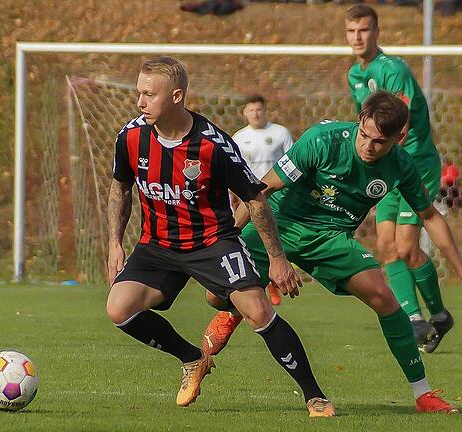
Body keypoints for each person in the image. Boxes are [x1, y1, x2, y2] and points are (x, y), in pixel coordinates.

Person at [202, 91, 462, 414]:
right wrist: (224, 241)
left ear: (399, 138)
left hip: (331, 237)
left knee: (384, 297)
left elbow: (430, 216)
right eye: (364, 135)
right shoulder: (323, 139)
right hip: (280, 223)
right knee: (215, 295)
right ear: (359, 121)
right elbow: (262, 188)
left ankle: (423, 394)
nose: (367, 147)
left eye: (379, 142)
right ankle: (230, 311)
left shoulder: (401, 166)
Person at [106, 56, 334, 417]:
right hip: (158, 245)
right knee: (118, 308)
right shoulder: (131, 136)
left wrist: (276, 258)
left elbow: (255, 199)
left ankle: (314, 395)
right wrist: (114, 243)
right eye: (139, 93)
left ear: (176, 96)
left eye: (149, 94)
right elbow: (120, 188)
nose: (140, 102)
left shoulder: (213, 144)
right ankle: (192, 359)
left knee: (259, 310)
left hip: (212, 242)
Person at [345, 5, 453, 353]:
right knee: (386, 247)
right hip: (388, 164)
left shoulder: (392, 69)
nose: (357, 37)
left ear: (376, 32)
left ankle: (437, 315)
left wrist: (376, 158)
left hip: (414, 164)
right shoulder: (354, 75)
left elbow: (399, 128)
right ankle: (415, 320)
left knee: (406, 247)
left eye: (363, 30)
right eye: (351, 31)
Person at [230, 94, 294, 305]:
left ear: (265, 110)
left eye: (259, 109)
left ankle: (273, 281)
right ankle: (261, 284)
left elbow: (291, 162)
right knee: (248, 241)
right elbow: (233, 169)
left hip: (276, 197)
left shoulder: (280, 133)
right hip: (249, 198)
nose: (255, 114)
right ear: (244, 113)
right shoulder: (239, 137)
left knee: (271, 238)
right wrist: (233, 196)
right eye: (251, 110)